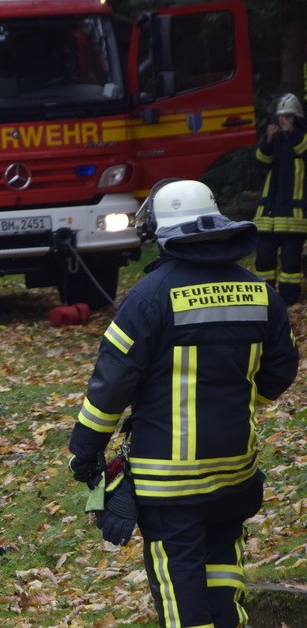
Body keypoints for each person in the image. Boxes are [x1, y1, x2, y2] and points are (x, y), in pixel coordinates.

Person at [67, 179, 299, 628]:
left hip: (168, 481)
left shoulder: (148, 298)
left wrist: (86, 448)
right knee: (223, 572)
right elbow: (281, 369)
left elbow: (112, 384)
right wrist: (241, 397)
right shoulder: (260, 292)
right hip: (235, 470)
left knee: (180, 584)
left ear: (163, 231)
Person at [252, 92, 307, 306]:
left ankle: (289, 300)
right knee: (264, 257)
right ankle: (265, 300)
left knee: (291, 261)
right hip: (269, 212)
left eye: (288, 116)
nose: (283, 120)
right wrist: (268, 140)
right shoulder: (274, 140)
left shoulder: (301, 137)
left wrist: (291, 132)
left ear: (296, 118)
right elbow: (261, 161)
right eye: (281, 116)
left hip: (294, 214)